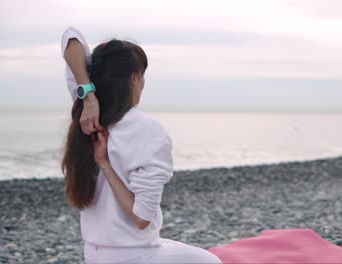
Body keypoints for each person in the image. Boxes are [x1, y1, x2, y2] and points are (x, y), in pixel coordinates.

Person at [60, 26, 222, 264]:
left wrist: (88, 96)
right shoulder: (148, 131)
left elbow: (70, 37)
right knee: (212, 262)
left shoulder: (85, 113)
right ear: (134, 78)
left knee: (173, 246)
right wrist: (105, 164)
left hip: (94, 255)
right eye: (143, 76)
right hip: (133, 256)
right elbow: (141, 218)